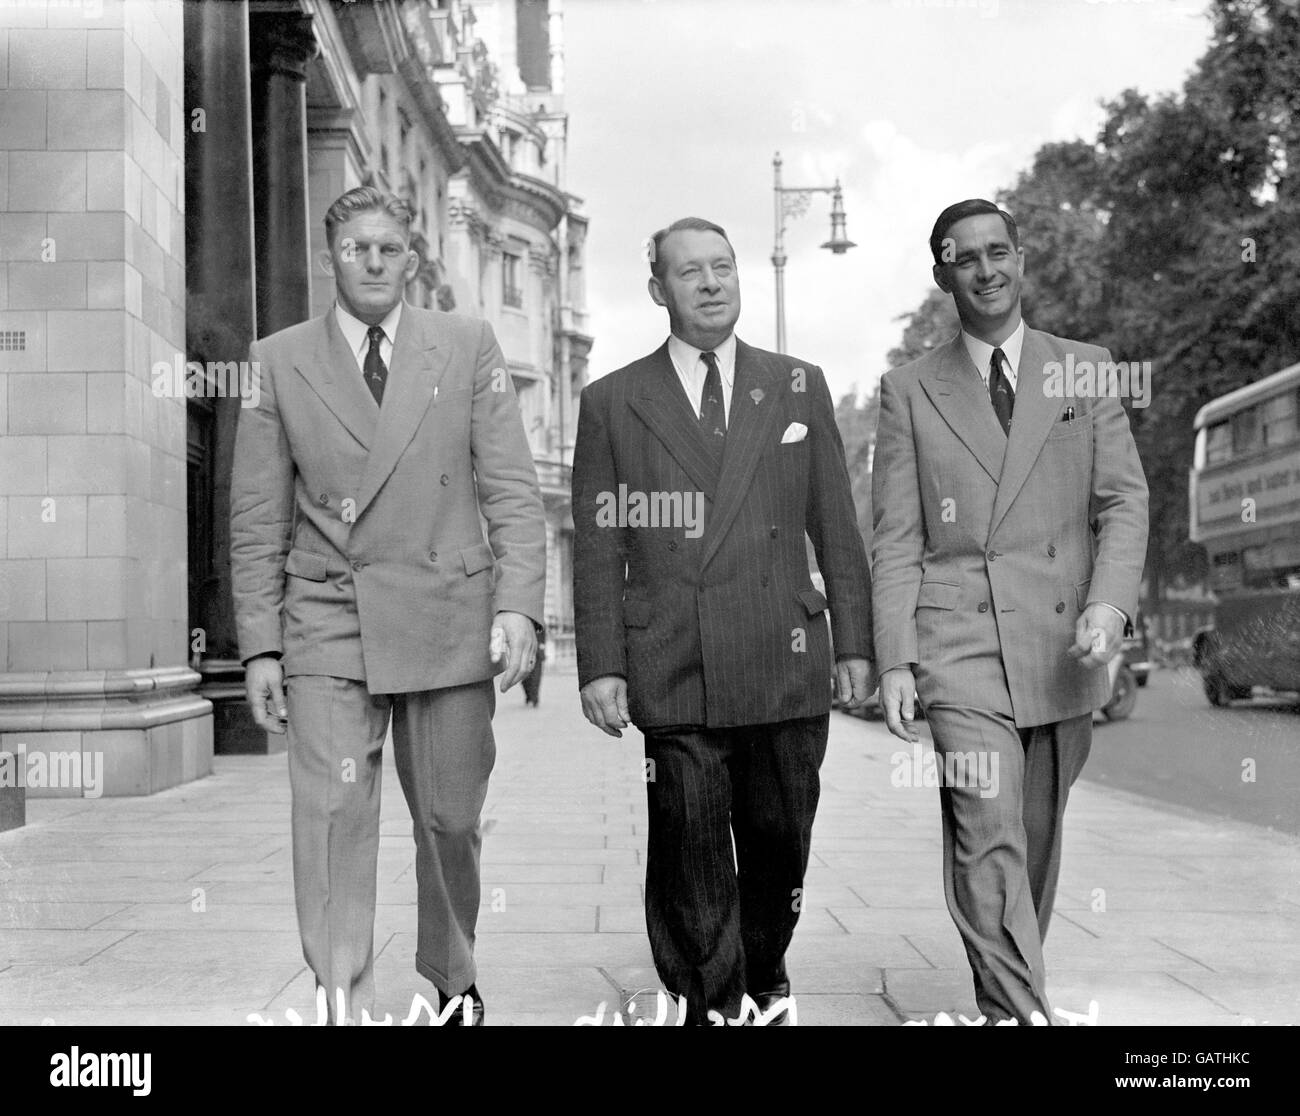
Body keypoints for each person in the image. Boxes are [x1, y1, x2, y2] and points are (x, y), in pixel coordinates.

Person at [230, 186, 546, 1026]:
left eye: (390, 249)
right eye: (355, 248)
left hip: (448, 611)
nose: (373, 262)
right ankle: (342, 994)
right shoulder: (278, 359)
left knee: (448, 815)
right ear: (329, 256)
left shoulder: (467, 346)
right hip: (329, 617)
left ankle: (451, 976)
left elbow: (511, 488)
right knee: (332, 812)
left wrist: (518, 607)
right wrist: (260, 646)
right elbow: (258, 516)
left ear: (414, 258)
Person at [571, 217, 874, 1024]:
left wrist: (858, 644)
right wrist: (601, 663)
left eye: (723, 268)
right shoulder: (612, 401)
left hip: (785, 648)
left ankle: (763, 964)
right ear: (657, 290)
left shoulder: (798, 383)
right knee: (693, 842)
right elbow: (598, 545)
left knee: (781, 841)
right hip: (675, 652)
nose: (710, 284)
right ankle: (712, 997)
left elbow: (835, 524)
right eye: (690, 272)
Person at [871, 199, 1148, 1024]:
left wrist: (1108, 606)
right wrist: (894, 658)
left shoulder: (1084, 366)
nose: (985, 270)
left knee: (1031, 836)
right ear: (942, 275)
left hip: (1065, 642)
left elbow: (1122, 504)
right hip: (957, 643)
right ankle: (1021, 1011)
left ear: (1022, 261)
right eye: (965, 258)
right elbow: (894, 538)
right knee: (985, 828)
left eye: (999, 252)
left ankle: (1003, 998)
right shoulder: (908, 390)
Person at [522, 625, 546, 706]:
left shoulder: (540, 622)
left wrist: (542, 649)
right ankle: (528, 696)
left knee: (536, 677)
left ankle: (535, 698)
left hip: (537, 654)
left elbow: (543, 637)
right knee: (524, 679)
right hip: (526, 654)